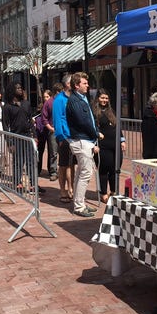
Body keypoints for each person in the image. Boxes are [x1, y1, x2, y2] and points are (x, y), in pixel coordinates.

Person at [66, 72, 100, 217]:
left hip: (85, 140)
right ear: (76, 85)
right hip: (82, 140)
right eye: (84, 83)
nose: (87, 85)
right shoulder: (75, 101)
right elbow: (82, 121)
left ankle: (79, 202)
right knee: (85, 173)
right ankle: (79, 206)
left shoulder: (82, 98)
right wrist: (96, 134)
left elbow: (89, 119)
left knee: (81, 173)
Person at [2, 82, 45, 193]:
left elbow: (30, 120)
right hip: (16, 137)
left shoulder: (26, 104)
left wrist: (35, 135)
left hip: (28, 136)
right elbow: (5, 126)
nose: (20, 89)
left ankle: (33, 184)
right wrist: (9, 143)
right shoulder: (7, 107)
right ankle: (17, 183)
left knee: (31, 161)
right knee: (18, 162)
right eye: (18, 88)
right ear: (12, 90)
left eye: (21, 87)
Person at [92, 89, 126, 203]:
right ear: (97, 98)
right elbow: (92, 128)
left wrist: (122, 140)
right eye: (102, 98)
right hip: (102, 146)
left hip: (114, 145)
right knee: (103, 170)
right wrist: (94, 144)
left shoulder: (111, 111)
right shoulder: (94, 112)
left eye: (106, 98)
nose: (104, 100)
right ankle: (103, 192)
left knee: (114, 169)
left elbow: (118, 127)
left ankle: (113, 190)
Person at [53, 74, 75, 203]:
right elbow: (57, 119)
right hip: (64, 136)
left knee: (72, 165)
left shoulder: (74, 98)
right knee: (63, 165)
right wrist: (61, 137)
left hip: (74, 136)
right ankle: (63, 190)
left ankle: (71, 188)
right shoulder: (59, 99)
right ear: (68, 84)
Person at [40, 87, 60, 181]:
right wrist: (50, 128)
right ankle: (53, 171)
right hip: (53, 130)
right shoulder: (49, 103)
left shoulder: (65, 101)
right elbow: (44, 118)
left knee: (63, 152)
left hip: (62, 130)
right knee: (53, 152)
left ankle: (61, 170)